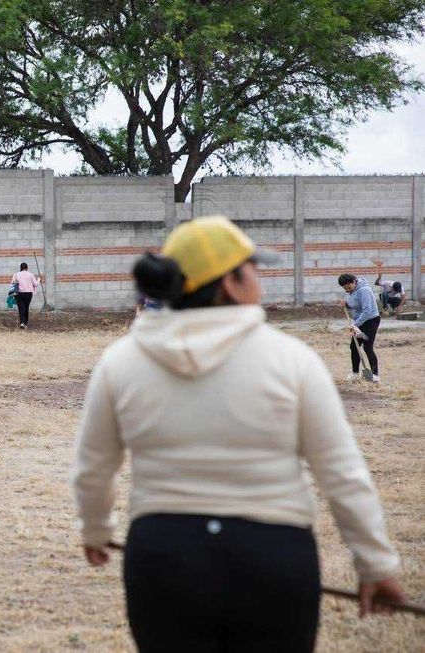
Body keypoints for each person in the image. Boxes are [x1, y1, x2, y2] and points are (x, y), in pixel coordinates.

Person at [73, 216, 404, 653]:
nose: (259, 280)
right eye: (253, 269)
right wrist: (376, 564)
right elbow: (342, 474)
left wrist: (96, 530)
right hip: (272, 558)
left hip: (164, 558)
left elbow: (93, 467)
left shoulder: (121, 361)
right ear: (229, 283)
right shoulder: (290, 360)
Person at [339, 273, 381, 383]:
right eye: (345, 288)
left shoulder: (364, 290)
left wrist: (355, 324)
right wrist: (346, 303)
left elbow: (367, 311)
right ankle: (355, 373)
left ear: (354, 281)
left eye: (348, 287)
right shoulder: (351, 291)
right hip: (359, 322)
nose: (347, 290)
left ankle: (375, 375)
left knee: (367, 347)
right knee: (354, 347)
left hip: (371, 321)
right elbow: (355, 303)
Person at [10, 262, 40, 329]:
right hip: (28, 294)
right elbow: (36, 284)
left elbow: (12, 283)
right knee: (26, 307)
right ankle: (25, 322)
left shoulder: (16, 274)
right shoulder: (31, 275)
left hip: (19, 294)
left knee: (21, 308)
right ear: (27, 268)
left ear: (20, 268)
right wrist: (39, 279)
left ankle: (22, 323)